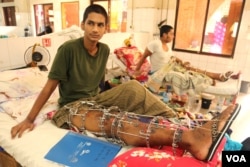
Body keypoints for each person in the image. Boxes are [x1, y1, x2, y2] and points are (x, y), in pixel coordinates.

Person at [10, 4, 239, 162]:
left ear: (105, 28)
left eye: (100, 25)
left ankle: (186, 124)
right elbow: (50, 86)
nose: (95, 29)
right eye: (91, 23)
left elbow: (99, 85)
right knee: (112, 120)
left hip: (94, 99)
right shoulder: (68, 49)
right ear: (83, 24)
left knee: (134, 88)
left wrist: (121, 91)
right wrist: (30, 119)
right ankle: (188, 139)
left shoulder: (105, 50)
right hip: (72, 107)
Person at [134, 24, 233, 83]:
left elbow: (171, 57)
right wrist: (137, 70)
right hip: (161, 72)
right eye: (171, 34)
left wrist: (182, 61)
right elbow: (143, 57)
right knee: (188, 76)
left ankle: (217, 76)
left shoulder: (167, 46)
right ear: (164, 35)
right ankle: (213, 78)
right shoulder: (154, 43)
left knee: (192, 69)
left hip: (170, 67)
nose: (173, 36)